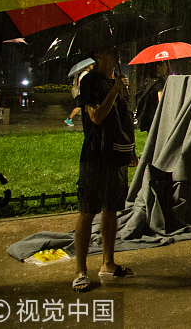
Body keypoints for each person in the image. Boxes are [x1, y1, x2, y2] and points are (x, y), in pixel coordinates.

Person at [72, 47, 137, 293]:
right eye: (110, 52)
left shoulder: (118, 82)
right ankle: (80, 270)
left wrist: (130, 151)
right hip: (95, 155)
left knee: (111, 210)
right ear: (98, 56)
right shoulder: (90, 81)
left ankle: (108, 263)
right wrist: (114, 90)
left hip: (116, 154)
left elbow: (123, 119)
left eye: (117, 52)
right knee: (88, 211)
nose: (117, 57)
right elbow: (97, 117)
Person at [135, 60, 171, 132]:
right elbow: (161, 101)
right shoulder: (159, 82)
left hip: (148, 117)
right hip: (156, 117)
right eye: (165, 66)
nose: (166, 68)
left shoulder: (148, 82)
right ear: (158, 67)